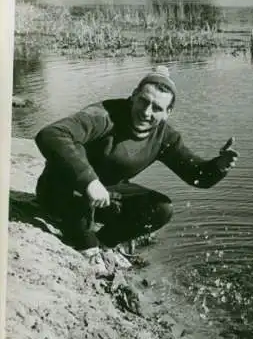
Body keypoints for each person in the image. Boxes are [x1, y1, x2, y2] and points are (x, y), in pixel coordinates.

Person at [35, 66, 238, 276]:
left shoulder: (164, 137)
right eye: (143, 101)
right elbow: (52, 134)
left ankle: (105, 243)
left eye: (157, 108)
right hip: (61, 193)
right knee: (85, 236)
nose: (147, 112)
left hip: (103, 197)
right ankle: (87, 245)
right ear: (133, 95)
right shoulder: (104, 115)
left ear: (168, 113)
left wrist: (218, 166)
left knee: (160, 209)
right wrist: (89, 181)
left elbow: (196, 176)